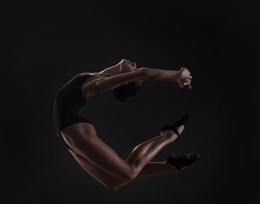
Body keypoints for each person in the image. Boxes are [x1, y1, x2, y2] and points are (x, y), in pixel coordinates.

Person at [53, 59, 200, 190]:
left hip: (73, 129)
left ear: (123, 81)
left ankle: (168, 135)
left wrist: (177, 75)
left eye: (133, 72)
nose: (135, 65)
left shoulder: (97, 85)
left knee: (129, 172)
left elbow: (144, 73)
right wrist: (134, 74)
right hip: (66, 132)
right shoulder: (96, 75)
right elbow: (138, 73)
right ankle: (170, 166)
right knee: (113, 182)